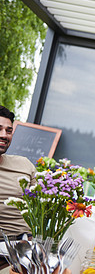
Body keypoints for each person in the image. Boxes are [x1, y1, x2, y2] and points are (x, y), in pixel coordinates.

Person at [0, 106, 36, 271]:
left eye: (9, 130)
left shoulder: (24, 164)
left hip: (29, 247)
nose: (4, 135)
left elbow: (42, 202)